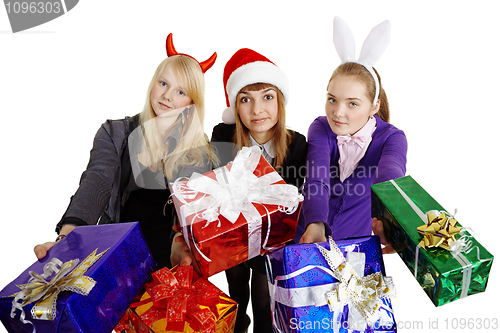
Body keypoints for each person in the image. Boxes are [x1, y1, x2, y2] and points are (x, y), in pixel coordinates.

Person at [33, 34, 218, 269]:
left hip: (170, 264)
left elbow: (193, 214)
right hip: (118, 260)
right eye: (163, 83)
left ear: (192, 103)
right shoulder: (115, 133)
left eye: (181, 92)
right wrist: (67, 237)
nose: (167, 96)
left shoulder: (199, 148)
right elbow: (96, 183)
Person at [213, 48, 307, 333]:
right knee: (237, 296)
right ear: (235, 107)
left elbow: (291, 200)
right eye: (246, 100)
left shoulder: (297, 144)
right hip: (236, 235)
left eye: (267, 97)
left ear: (280, 101)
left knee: (265, 299)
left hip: (273, 239)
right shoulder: (222, 136)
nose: (257, 110)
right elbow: (219, 191)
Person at [298, 17, 407, 249]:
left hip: (353, 249)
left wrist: (391, 222)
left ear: (374, 106)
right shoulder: (320, 127)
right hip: (308, 238)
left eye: (353, 104)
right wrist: (316, 223)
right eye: (332, 100)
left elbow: (390, 174)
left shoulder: (392, 137)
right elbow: (317, 179)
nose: (338, 112)